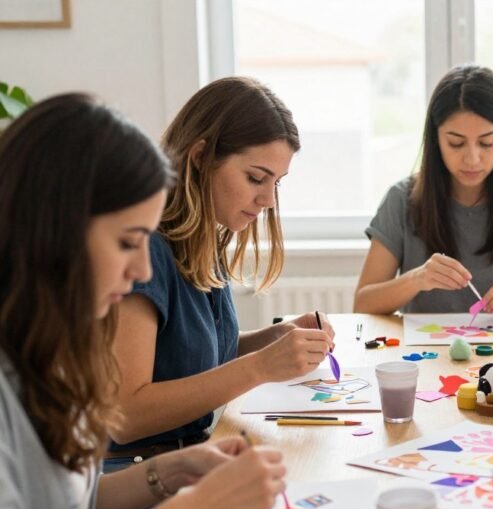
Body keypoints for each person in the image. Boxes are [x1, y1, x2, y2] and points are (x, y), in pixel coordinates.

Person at [0, 93, 286, 509]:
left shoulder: (49, 353)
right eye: (128, 242)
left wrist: (173, 472)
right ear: (54, 230)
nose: (143, 270)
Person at [108, 77, 334, 460]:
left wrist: (274, 337)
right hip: (135, 476)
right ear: (200, 157)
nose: (266, 200)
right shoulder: (145, 251)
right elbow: (126, 414)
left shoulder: (202, 237)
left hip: (186, 458)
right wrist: (260, 367)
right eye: (255, 178)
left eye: (276, 183)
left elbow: (190, 356)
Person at [355, 64, 493, 315]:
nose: (472, 159)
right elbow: (363, 304)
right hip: (425, 353)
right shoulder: (402, 199)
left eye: (487, 142)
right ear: (436, 138)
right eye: (456, 143)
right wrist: (417, 279)